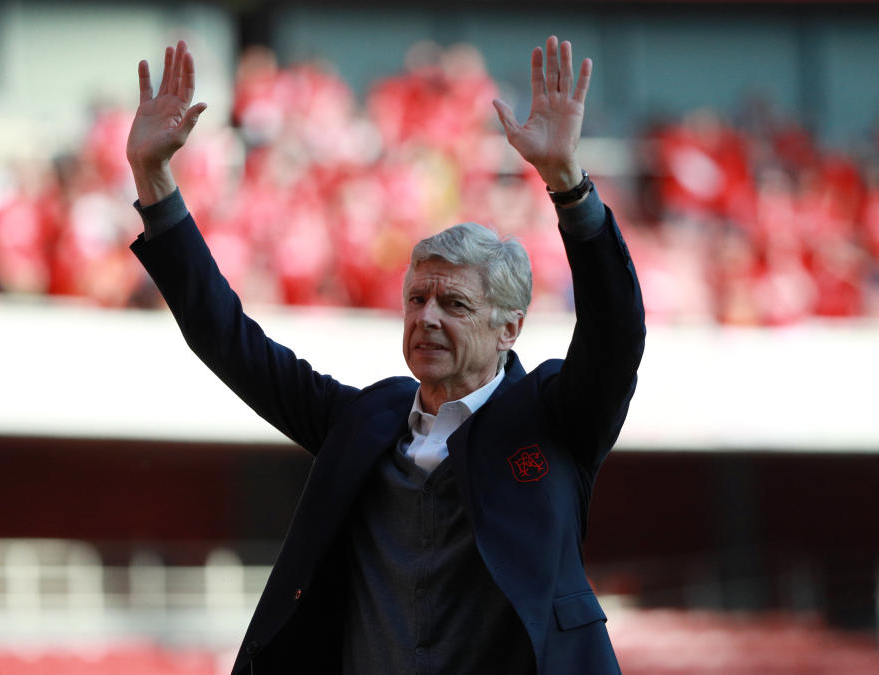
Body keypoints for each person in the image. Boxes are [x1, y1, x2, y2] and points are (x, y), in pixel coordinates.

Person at [127, 36, 644, 675]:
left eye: (453, 304)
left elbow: (616, 334)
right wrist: (155, 181)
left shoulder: (556, 417)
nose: (427, 317)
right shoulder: (365, 422)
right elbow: (227, 339)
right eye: (416, 299)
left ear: (510, 327)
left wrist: (569, 186)